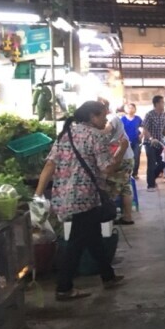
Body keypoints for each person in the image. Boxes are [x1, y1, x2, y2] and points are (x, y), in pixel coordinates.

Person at [35, 101, 128, 300]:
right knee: (76, 242)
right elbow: (107, 168)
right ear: (93, 117)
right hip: (86, 197)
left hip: (66, 195)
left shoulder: (66, 134)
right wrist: (122, 150)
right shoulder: (95, 136)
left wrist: (38, 193)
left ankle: (108, 276)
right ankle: (63, 287)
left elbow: (50, 165)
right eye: (103, 115)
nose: (105, 119)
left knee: (92, 236)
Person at [98, 98, 135, 225]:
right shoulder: (111, 118)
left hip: (122, 158)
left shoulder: (112, 118)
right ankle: (127, 217)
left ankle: (112, 218)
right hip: (123, 156)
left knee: (111, 187)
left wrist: (88, 131)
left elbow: (106, 130)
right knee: (125, 187)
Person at [141, 95, 165, 191]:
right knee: (151, 163)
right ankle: (150, 185)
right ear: (157, 104)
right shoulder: (149, 115)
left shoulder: (164, 115)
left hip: (160, 143)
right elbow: (145, 129)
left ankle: (152, 178)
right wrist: (151, 138)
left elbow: (163, 129)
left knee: (162, 163)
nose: (164, 104)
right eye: (162, 102)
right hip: (149, 143)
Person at [121, 103, 142, 177]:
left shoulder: (138, 118)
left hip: (136, 141)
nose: (130, 109)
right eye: (128, 108)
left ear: (135, 109)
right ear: (125, 109)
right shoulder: (123, 119)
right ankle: (127, 173)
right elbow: (121, 130)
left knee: (136, 157)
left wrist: (141, 135)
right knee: (127, 157)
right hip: (126, 141)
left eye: (132, 107)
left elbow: (143, 127)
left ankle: (135, 173)